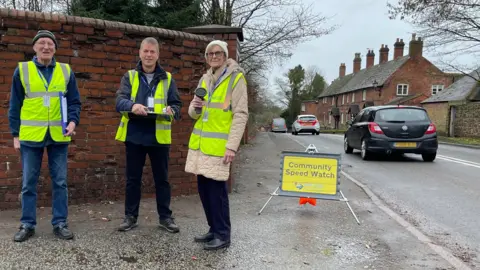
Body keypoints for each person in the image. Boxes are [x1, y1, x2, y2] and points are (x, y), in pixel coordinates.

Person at [7, 30, 82, 242]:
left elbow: (75, 102)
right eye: (42, 43)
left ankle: (60, 223)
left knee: (60, 182)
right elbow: (15, 104)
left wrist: (73, 121)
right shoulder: (22, 70)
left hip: (58, 135)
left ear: (55, 48)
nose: (46, 47)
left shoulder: (66, 71)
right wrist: (15, 134)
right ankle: (27, 224)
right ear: (34, 47)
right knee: (28, 182)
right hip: (31, 136)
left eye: (50, 43)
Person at [185, 40, 249, 250]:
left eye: (218, 53)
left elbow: (240, 115)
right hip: (202, 146)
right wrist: (194, 107)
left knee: (218, 192)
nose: (214, 56)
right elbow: (195, 114)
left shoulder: (235, 79)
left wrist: (232, 146)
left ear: (225, 55)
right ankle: (213, 229)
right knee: (204, 190)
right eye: (210, 53)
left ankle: (223, 234)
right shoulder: (205, 79)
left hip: (220, 148)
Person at [115, 37, 182, 233]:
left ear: (158, 55)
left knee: (162, 180)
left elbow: (177, 105)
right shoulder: (130, 76)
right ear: (140, 53)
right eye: (146, 51)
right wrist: (132, 106)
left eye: (152, 52)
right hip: (135, 135)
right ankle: (130, 217)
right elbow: (119, 101)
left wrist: (172, 111)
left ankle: (165, 218)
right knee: (132, 179)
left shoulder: (168, 78)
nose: (149, 55)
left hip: (159, 137)